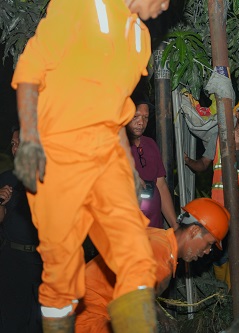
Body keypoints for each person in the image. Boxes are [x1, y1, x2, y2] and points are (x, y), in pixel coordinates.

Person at [10, 0, 171, 331]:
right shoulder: (81, 4)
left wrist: (128, 173)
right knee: (62, 272)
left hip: (109, 154)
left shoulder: (141, 38)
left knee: (136, 256)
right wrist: (28, 139)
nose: (166, 5)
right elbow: (30, 69)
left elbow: (118, 109)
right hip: (59, 152)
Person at [75, 198, 230, 333]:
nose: (208, 251)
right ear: (194, 230)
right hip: (89, 318)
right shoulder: (162, 261)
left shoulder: (157, 236)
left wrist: (159, 314)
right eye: (209, 243)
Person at [184, 97, 239, 287]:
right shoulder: (219, 137)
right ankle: (221, 287)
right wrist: (188, 161)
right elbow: (204, 164)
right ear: (236, 114)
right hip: (221, 206)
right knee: (221, 251)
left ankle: (236, 292)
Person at [0, 127, 42, 332]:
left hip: (41, 259)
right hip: (13, 260)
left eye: (20, 143)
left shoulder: (45, 178)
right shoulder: (7, 178)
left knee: (40, 321)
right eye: (13, 144)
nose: (14, 148)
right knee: (13, 320)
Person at [127, 93, 178, 229]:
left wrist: (174, 225)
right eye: (135, 116)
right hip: (129, 231)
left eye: (145, 117)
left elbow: (161, 185)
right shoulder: (116, 146)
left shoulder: (150, 144)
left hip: (155, 230)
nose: (141, 122)